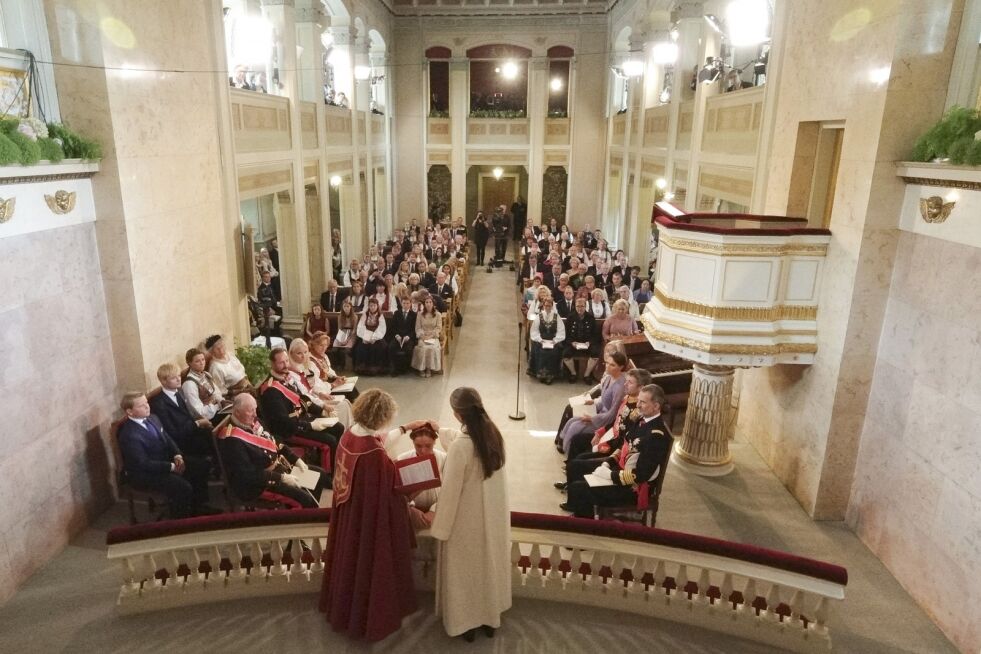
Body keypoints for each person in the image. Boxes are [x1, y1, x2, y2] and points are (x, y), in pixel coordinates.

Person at [320, 391, 427, 641]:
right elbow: (390, 491)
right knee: (367, 563)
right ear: (381, 417)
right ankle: (367, 618)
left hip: (350, 513)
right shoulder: (373, 455)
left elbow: (378, 440)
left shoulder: (351, 434)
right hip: (367, 521)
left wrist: (405, 428)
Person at [430, 387, 511, 641]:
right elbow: (465, 442)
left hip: (466, 522)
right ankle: (490, 617)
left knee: (465, 574)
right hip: (493, 518)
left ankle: (465, 623)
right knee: (488, 569)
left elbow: (450, 491)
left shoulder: (461, 448)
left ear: (457, 414)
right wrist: (439, 431)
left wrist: (440, 527)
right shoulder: (493, 433)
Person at [561, 384, 673, 518]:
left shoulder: (656, 436)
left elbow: (641, 475)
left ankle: (585, 524)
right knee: (576, 467)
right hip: (620, 467)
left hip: (632, 488)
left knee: (579, 488)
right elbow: (625, 446)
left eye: (643, 402)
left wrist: (610, 475)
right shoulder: (641, 419)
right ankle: (580, 511)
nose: (637, 405)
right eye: (638, 400)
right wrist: (608, 462)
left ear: (656, 406)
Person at [117, 391, 218, 518]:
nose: (147, 406)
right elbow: (142, 463)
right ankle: (180, 521)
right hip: (145, 474)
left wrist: (177, 455)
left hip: (165, 459)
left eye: (146, 403)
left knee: (201, 466)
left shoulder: (153, 418)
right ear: (130, 412)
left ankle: (197, 507)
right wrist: (171, 467)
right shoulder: (129, 435)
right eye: (142, 405)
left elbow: (167, 438)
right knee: (182, 486)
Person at [217, 394, 327, 509]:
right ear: (237, 412)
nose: (255, 414)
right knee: (305, 500)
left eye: (255, 409)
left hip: (278, 467)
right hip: (259, 485)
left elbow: (273, 441)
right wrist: (281, 478)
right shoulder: (232, 441)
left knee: (320, 475)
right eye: (250, 411)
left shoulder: (252, 421)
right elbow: (248, 476)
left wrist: (294, 458)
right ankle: (302, 520)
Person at [259, 348, 343, 471]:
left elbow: (302, 400)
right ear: (272, 364)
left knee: (338, 427)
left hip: (301, 419)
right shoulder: (270, 390)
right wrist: (309, 425)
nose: (286, 365)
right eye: (281, 362)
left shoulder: (286, 378)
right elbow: (283, 421)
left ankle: (335, 464)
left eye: (287, 361)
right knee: (330, 440)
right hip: (289, 430)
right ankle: (330, 474)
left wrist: (322, 410)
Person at [556, 351, 628, 453]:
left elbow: (613, 414)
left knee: (575, 426)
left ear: (621, 367)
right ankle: (563, 443)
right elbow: (603, 400)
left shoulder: (619, 387)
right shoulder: (608, 378)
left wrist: (592, 419)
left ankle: (568, 452)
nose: (607, 366)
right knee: (572, 420)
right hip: (601, 414)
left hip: (606, 421)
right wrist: (593, 402)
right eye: (607, 363)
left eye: (612, 365)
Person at [150, 363, 216, 458]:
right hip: (181, 442)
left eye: (179, 376)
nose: (179, 379)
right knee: (210, 440)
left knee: (216, 434)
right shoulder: (159, 403)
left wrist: (201, 421)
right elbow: (172, 432)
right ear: (163, 381)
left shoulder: (179, 391)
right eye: (173, 378)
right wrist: (198, 423)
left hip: (191, 432)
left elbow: (188, 416)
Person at [395, 423, 446, 529]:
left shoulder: (444, 459)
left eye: (428, 446)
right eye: (418, 446)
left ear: (435, 442)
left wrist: (434, 510)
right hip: (413, 511)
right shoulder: (402, 459)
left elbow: (450, 490)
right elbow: (399, 492)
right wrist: (411, 508)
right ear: (413, 442)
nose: (423, 450)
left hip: (440, 508)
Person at [308, 331, 359, 401]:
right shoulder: (310, 362)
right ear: (313, 345)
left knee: (352, 388)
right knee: (349, 393)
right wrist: (333, 384)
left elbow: (329, 370)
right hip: (322, 391)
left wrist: (337, 377)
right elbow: (315, 385)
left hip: (328, 384)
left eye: (325, 345)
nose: (324, 348)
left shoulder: (324, 356)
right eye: (320, 345)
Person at [181, 348, 227, 426]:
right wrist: (215, 404)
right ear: (189, 363)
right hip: (208, 419)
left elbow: (217, 393)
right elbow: (199, 412)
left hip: (218, 409)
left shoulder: (206, 375)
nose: (202, 363)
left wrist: (221, 401)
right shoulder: (189, 384)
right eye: (197, 361)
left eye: (203, 359)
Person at [561, 297, 600, 383]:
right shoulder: (570, 317)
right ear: (575, 306)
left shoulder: (591, 318)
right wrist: (572, 342)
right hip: (573, 343)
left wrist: (589, 342)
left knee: (595, 353)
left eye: (582, 306)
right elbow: (565, 334)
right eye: (578, 306)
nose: (580, 308)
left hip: (587, 343)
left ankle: (587, 374)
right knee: (565, 354)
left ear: (585, 306)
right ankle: (573, 373)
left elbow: (595, 335)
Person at [528, 295, 565, 385]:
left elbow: (561, 331)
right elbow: (534, 331)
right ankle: (540, 374)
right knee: (540, 350)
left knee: (553, 351)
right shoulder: (539, 316)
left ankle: (550, 375)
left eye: (549, 306)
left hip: (553, 341)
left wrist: (555, 340)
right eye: (546, 305)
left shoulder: (557, 317)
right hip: (541, 341)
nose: (547, 307)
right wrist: (540, 340)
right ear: (543, 306)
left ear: (552, 306)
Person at [353, 297, 388, 374]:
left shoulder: (380, 315)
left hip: (377, 336)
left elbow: (382, 328)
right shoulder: (365, 315)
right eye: (370, 306)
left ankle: (374, 368)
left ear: (377, 306)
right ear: (368, 306)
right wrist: (365, 337)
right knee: (360, 348)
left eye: (374, 306)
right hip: (365, 335)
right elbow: (361, 326)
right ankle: (362, 368)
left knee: (378, 347)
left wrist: (374, 338)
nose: (372, 307)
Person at [412, 295, 443, 377]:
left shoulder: (438, 314)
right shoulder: (420, 314)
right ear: (424, 304)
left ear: (433, 304)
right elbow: (418, 327)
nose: (428, 304)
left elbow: (439, 328)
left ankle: (429, 369)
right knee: (423, 347)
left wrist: (431, 335)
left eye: (430, 302)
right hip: (423, 336)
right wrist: (422, 336)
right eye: (426, 302)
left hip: (433, 336)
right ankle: (422, 369)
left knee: (431, 348)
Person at [388, 295, 417, 376]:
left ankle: (405, 368)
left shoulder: (414, 315)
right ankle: (394, 368)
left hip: (408, 337)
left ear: (410, 304)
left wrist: (409, 336)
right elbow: (392, 327)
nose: (406, 305)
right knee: (391, 347)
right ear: (401, 304)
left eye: (408, 303)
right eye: (404, 303)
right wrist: (397, 335)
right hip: (398, 337)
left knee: (408, 349)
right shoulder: (397, 313)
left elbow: (414, 329)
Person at [332, 298, 358, 369]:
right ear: (342, 307)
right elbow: (339, 329)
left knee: (345, 350)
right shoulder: (340, 316)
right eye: (344, 306)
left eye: (348, 306)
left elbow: (354, 330)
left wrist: (347, 340)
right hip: (342, 333)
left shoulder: (355, 317)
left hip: (351, 334)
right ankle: (337, 364)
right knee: (335, 349)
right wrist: (341, 339)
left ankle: (343, 365)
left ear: (350, 307)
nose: (346, 308)